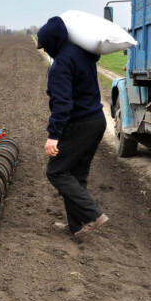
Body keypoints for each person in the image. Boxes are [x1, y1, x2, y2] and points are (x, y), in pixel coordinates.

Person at [36, 16, 108, 240]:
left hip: (80, 124)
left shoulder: (62, 64)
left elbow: (63, 104)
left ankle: (94, 214)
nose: (45, 49)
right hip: (96, 121)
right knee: (77, 175)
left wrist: (53, 136)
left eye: (45, 45)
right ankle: (76, 226)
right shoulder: (81, 53)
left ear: (53, 42)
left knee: (56, 171)